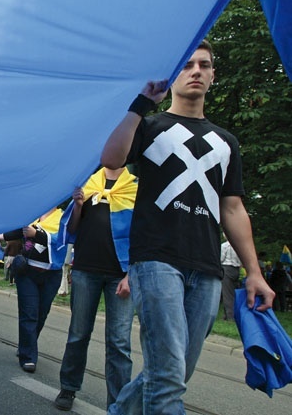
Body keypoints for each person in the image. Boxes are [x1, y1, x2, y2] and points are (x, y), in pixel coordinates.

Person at [100, 40, 274, 414]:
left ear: (213, 76)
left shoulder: (226, 143)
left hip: (207, 268)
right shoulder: (148, 126)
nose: (196, 71)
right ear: (174, 73)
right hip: (156, 260)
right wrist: (140, 105)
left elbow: (233, 208)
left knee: (173, 372)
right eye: (188, 64)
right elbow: (110, 158)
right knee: (167, 379)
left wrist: (254, 273)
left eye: (204, 65)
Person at [55, 167, 136, 411]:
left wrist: (131, 274)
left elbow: (143, 235)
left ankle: (119, 403)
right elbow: (71, 229)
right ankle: (68, 388)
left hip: (120, 275)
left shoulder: (136, 188)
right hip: (85, 270)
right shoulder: (87, 184)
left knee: (119, 342)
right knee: (78, 333)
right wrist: (78, 205)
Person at [0, 207, 68, 373]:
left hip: (51, 275)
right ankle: (28, 357)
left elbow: (63, 238)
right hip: (27, 273)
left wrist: (37, 235)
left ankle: (26, 345)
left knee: (41, 314)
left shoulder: (63, 217)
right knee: (29, 313)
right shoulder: (32, 215)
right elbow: (18, 232)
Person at [220, 237, 242, 321]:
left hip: (227, 268)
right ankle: (226, 315)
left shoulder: (225, 246)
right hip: (236, 269)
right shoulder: (239, 245)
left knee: (227, 294)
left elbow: (221, 258)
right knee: (233, 293)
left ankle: (230, 316)